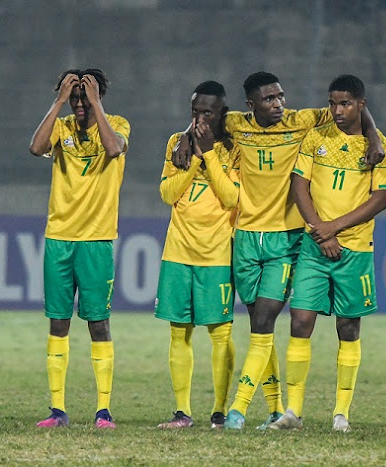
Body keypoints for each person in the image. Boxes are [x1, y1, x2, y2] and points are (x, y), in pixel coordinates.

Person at [179, 72, 385, 430]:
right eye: (270, 99)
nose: (279, 104)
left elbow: (352, 111)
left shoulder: (302, 121)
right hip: (245, 235)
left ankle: (238, 410)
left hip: (286, 237)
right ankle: (277, 409)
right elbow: (206, 116)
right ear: (250, 106)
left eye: (281, 97)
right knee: (260, 326)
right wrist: (185, 138)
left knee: (264, 321)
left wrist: (375, 136)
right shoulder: (236, 124)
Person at [268, 74, 386, 432]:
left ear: (361, 105)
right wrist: (321, 233)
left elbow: (379, 199)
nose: (337, 110)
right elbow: (299, 187)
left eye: (345, 103)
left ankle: (341, 413)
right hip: (315, 246)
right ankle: (293, 411)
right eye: (333, 103)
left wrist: (333, 228)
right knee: (300, 320)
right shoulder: (316, 137)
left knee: (348, 326)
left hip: (355, 249)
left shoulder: (379, 146)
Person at [28, 68, 129, 429]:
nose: (80, 104)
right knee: (58, 323)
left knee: (99, 324)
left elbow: (114, 148)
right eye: (75, 98)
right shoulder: (61, 127)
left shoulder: (117, 124)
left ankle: (103, 410)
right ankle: (58, 410)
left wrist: (96, 103)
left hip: (97, 240)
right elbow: (36, 148)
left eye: (85, 97)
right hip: (59, 237)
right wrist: (58, 102)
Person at [155, 81, 239, 430]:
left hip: (217, 253)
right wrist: (190, 162)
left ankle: (218, 412)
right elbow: (167, 193)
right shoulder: (177, 143)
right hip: (177, 252)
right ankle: (182, 412)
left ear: (222, 113)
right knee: (179, 333)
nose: (200, 118)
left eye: (208, 112)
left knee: (220, 334)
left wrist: (207, 154)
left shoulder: (234, 147)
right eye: (195, 111)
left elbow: (232, 197)